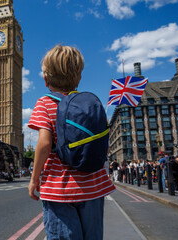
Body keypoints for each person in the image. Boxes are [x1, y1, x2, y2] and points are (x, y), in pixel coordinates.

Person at [27, 45, 115, 240]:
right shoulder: (92, 105)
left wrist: (34, 179)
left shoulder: (45, 103)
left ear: (45, 79)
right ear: (79, 78)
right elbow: (104, 144)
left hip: (59, 190)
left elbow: (44, 144)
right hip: (94, 186)